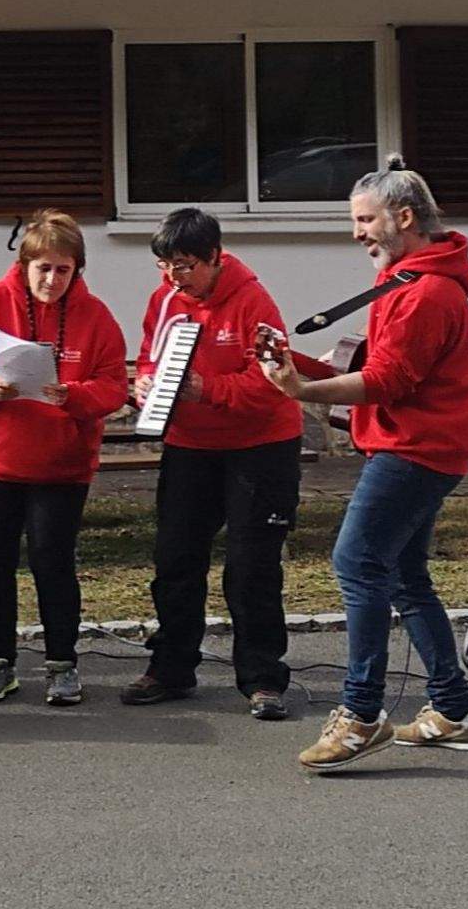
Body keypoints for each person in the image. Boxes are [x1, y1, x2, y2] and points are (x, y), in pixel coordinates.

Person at [266, 156, 468, 770]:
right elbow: (373, 370)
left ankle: (362, 714)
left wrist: (301, 391)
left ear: (405, 217)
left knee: (357, 562)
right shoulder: (412, 281)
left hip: (417, 449)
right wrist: (295, 364)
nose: (357, 232)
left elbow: (386, 382)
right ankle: (454, 711)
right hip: (425, 445)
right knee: (403, 577)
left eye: (365, 220)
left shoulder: (425, 294)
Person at [123, 209, 302, 719]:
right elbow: (150, 356)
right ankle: (172, 667)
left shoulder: (254, 301)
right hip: (190, 445)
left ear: (215, 258)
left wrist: (207, 389)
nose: (173, 278)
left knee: (251, 566)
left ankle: (262, 678)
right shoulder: (163, 300)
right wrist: (144, 385)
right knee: (175, 558)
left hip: (260, 446)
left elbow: (271, 383)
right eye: (164, 265)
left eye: (184, 266)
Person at [0, 211, 127, 706]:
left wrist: (76, 395)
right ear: (24, 265)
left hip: (62, 463)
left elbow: (114, 385)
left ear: (77, 270)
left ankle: (62, 665)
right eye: (43, 268)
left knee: (53, 561)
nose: (51, 280)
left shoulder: (96, 316)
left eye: (63, 270)